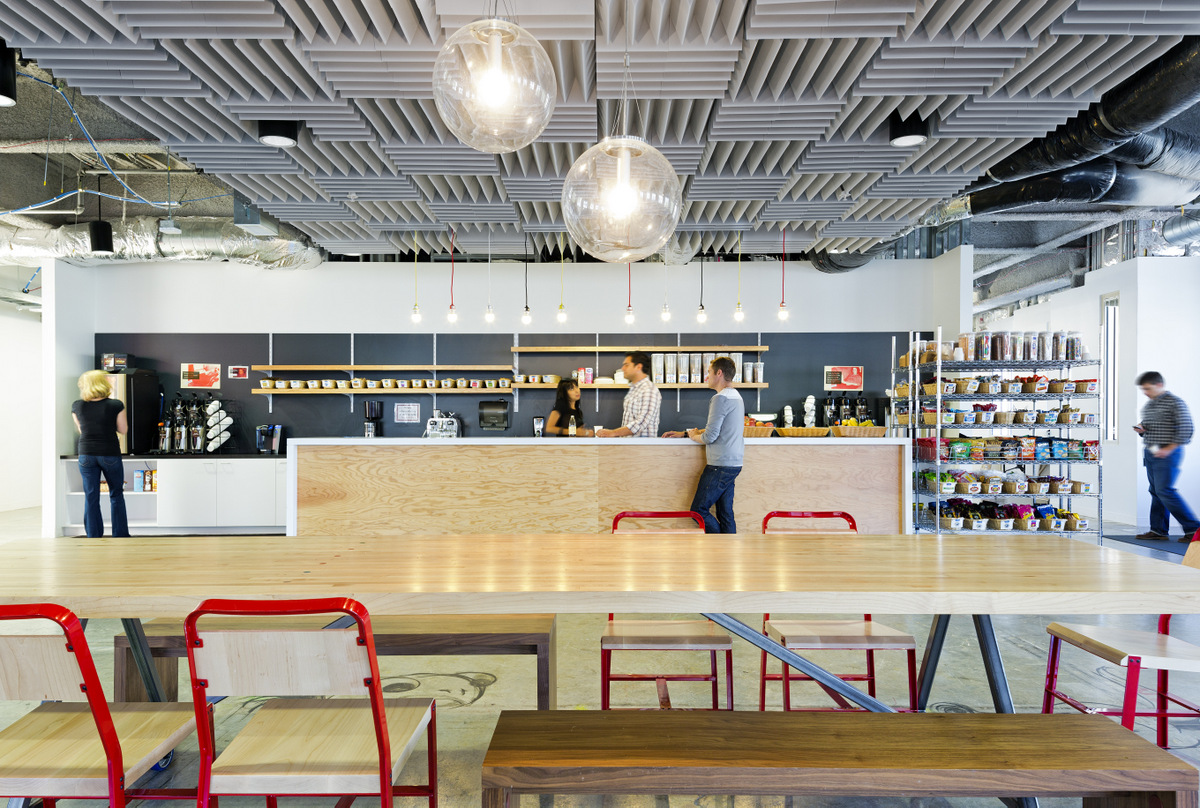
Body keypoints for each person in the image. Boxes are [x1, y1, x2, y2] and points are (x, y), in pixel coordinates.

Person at [664, 356, 744, 533]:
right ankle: (729, 548)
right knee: (725, 513)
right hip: (733, 463)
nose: (707, 376)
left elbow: (710, 436)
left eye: (709, 372)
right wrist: (686, 434)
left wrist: (694, 437)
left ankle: (719, 543)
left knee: (698, 511)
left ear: (719, 373)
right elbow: (717, 429)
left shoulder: (720, 398)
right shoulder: (736, 397)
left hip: (719, 465)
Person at [1133, 371, 1199, 541]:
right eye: (1143, 389)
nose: (1145, 392)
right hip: (1151, 452)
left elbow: (1186, 429)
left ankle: (1194, 528)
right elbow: (1148, 426)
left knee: (1165, 491)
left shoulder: (1175, 403)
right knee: (1156, 491)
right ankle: (1158, 530)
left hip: (1168, 453)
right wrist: (1141, 428)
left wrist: (1169, 449)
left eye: (1148, 388)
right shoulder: (1149, 405)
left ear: (1159, 385)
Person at [71, 369, 130, 538]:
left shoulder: (77, 406)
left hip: (86, 455)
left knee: (91, 496)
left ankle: (93, 536)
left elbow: (82, 430)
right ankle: (120, 535)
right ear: (103, 383)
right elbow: (123, 430)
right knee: (116, 494)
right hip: (109, 453)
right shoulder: (115, 405)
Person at [596, 351, 661, 438]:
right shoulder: (634, 389)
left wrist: (613, 433)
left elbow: (641, 423)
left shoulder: (649, 390)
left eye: (626, 365)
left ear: (638, 367)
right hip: (630, 444)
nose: (623, 368)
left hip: (642, 445)